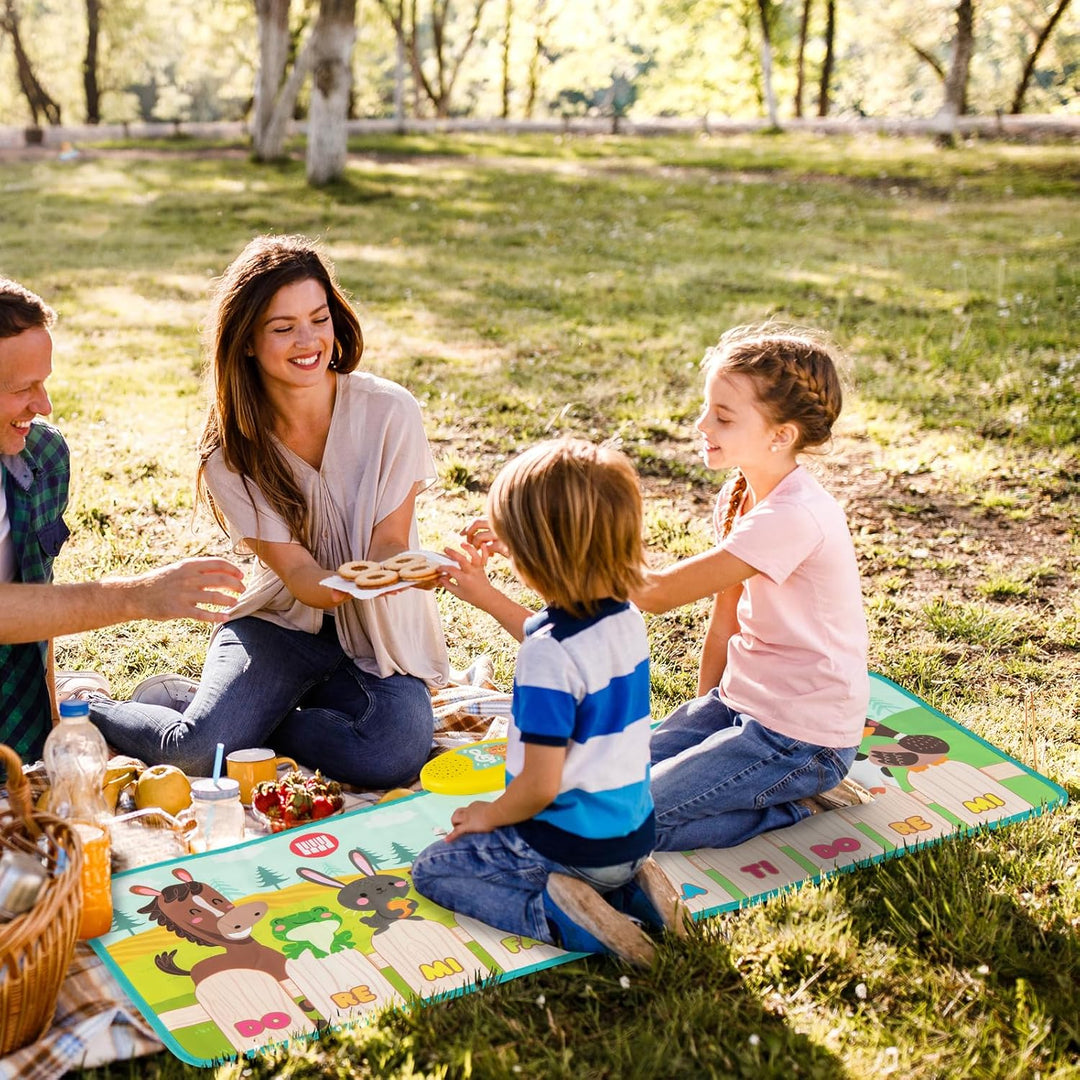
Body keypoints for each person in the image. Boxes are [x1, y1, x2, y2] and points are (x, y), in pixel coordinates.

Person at [86, 236, 448, 786]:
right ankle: (88, 704)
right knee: (194, 755)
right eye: (283, 328)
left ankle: (250, 725)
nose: (308, 342)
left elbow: (390, 542)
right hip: (279, 626)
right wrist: (355, 584)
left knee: (394, 753)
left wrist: (403, 573)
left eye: (319, 318)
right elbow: (301, 578)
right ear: (248, 341)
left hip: (376, 637)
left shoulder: (390, 411)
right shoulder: (229, 455)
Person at [411, 438, 688, 966]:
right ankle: (636, 893)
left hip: (567, 846)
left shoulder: (546, 657)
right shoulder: (623, 618)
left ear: (536, 554)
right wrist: (488, 590)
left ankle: (561, 916)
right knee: (603, 864)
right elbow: (552, 635)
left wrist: (487, 815)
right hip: (630, 837)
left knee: (435, 868)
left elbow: (538, 786)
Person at [630, 325, 870, 852]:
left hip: (802, 740)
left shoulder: (793, 516)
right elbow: (725, 620)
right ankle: (743, 786)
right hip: (740, 705)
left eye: (723, 416)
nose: (701, 424)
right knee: (602, 786)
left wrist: (547, 539)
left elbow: (655, 594)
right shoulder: (740, 495)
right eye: (706, 408)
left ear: (780, 435)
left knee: (627, 825)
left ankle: (790, 807)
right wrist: (704, 720)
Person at [0, 277, 244, 763]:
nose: (43, 405)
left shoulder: (41, 455)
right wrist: (140, 595)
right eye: (22, 388)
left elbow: (35, 593)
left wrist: (52, 726)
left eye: (43, 382)